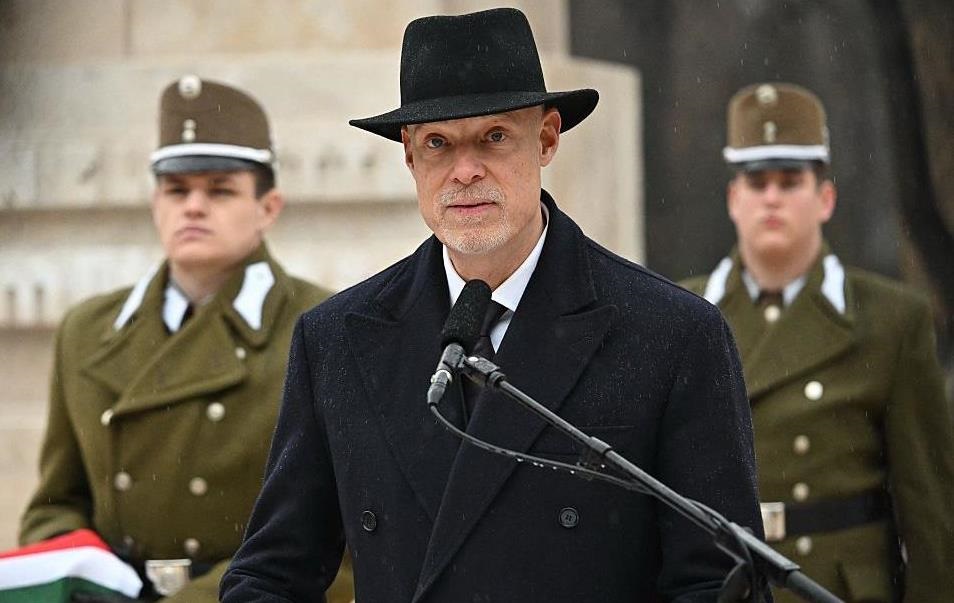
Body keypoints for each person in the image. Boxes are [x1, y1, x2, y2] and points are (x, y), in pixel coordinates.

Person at [221, 9, 765, 602]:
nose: (465, 171)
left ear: (547, 138)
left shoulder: (672, 334)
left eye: (495, 137)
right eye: (437, 143)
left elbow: (720, 584)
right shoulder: (337, 340)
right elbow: (270, 575)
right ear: (409, 157)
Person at [18, 76, 353, 602]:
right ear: (156, 202)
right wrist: (82, 580)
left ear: (268, 208)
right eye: (176, 190)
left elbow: (347, 531)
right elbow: (57, 504)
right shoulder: (87, 331)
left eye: (220, 190)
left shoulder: (328, 326)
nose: (193, 206)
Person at [682, 82, 954, 602]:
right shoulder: (683, 315)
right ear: (733, 199)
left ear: (825, 198)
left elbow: (931, 511)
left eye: (790, 181)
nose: (772, 198)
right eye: (756, 181)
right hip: (725, 584)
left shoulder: (892, 321)